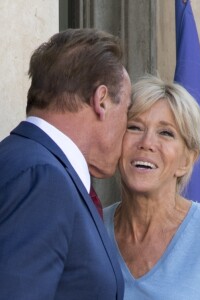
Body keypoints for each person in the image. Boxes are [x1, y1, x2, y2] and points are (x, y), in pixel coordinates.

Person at [0, 28, 131, 299]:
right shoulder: (44, 178)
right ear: (102, 101)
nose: (127, 128)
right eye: (127, 110)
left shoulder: (26, 161)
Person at [104, 75, 200, 299]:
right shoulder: (90, 226)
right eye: (134, 127)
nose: (146, 143)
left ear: (187, 160)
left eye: (165, 133)